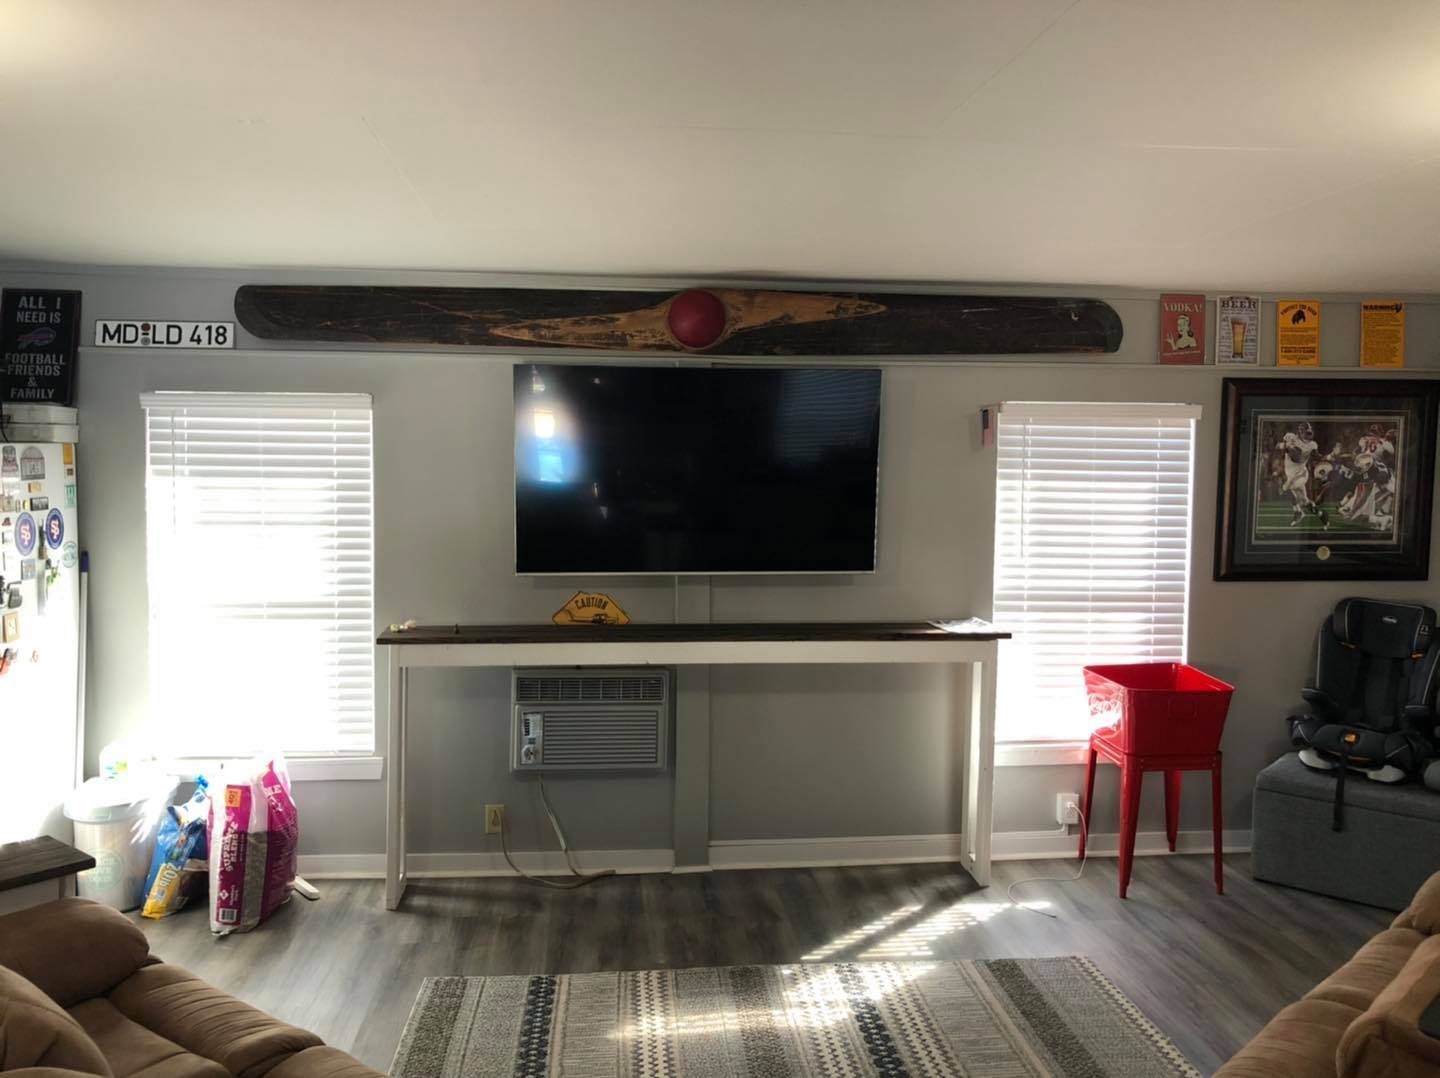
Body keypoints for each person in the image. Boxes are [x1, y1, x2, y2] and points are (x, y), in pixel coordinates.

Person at [1277, 421, 1328, 528]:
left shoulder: (1312, 444)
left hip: (1300, 475)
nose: (1308, 435)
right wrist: (1283, 446)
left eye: (1309, 432)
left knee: (1285, 487)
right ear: (1300, 432)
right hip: (1291, 473)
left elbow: (1299, 457)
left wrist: (1325, 457)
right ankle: (1322, 516)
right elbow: (1280, 448)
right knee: (1304, 501)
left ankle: (1298, 512)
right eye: (1306, 432)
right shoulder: (1290, 437)